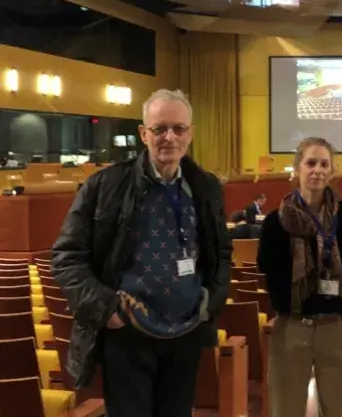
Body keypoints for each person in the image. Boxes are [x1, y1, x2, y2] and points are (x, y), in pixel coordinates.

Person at [51, 89, 232, 417]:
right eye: (160, 128)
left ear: (190, 133)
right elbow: (67, 256)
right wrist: (107, 310)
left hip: (187, 333)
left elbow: (221, 254)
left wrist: (210, 303)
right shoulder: (104, 186)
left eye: (179, 128)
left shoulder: (205, 187)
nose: (169, 137)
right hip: (128, 337)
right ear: (143, 133)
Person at [258, 136, 342, 417]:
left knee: (338, 410)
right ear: (297, 169)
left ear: (332, 171)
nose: (317, 169)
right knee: (286, 410)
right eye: (310, 163)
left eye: (324, 164)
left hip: (336, 327)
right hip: (292, 327)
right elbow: (266, 269)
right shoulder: (275, 222)